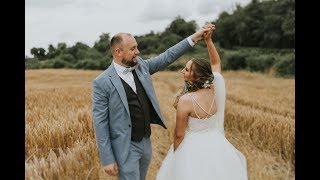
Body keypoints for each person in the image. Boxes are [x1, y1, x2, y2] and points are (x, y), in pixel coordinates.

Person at [92, 24, 213, 180]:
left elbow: (168, 55)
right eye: (133, 49)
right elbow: (100, 123)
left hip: (145, 143)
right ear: (118, 52)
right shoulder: (101, 82)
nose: (138, 52)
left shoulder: (141, 66)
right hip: (125, 147)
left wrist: (195, 37)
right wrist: (107, 159)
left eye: (136, 47)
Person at [155, 23, 248, 180]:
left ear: (196, 76)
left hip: (191, 148)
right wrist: (209, 41)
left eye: (186, 69)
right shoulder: (215, 87)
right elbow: (216, 64)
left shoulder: (186, 100)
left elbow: (179, 134)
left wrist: (176, 158)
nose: (182, 71)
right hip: (216, 143)